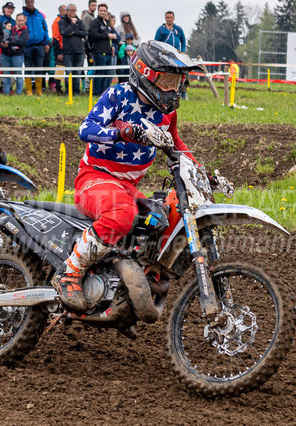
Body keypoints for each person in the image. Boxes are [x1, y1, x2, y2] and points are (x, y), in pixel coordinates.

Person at [51, 40, 203, 311]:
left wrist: (200, 173)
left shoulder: (167, 113)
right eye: (168, 81)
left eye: (178, 82)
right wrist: (122, 132)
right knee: (122, 213)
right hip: (94, 178)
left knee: (169, 214)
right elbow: (86, 129)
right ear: (146, 74)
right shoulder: (118, 95)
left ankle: (143, 277)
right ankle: (69, 273)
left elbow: (176, 145)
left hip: (127, 186)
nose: (173, 90)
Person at [89, 3, 116, 96]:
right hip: (99, 52)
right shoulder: (95, 22)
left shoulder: (107, 23)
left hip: (108, 52)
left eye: (104, 11)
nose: (102, 12)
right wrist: (107, 36)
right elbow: (93, 34)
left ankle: (105, 93)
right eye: (101, 10)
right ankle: (97, 93)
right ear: (98, 11)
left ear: (107, 12)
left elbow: (111, 37)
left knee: (108, 74)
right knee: (99, 74)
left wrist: (112, 46)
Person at [22, 0, 48, 96]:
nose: (30, 4)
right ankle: (29, 90)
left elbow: (45, 30)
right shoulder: (23, 16)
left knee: (39, 68)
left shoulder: (40, 15)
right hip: (27, 46)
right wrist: (23, 23)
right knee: (28, 68)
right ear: (25, 3)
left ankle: (38, 90)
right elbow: (18, 29)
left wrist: (46, 43)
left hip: (39, 45)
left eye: (31, 2)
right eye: (28, 2)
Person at [58, 3, 84, 95]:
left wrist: (73, 32)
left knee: (77, 73)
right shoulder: (62, 21)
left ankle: (76, 92)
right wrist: (72, 24)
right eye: (72, 11)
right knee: (69, 72)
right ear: (67, 11)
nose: (74, 12)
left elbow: (84, 33)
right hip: (68, 52)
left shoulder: (79, 21)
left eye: (75, 11)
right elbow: (64, 32)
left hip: (79, 51)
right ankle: (68, 92)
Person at [0, 12, 27, 95]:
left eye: (22, 20)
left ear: (24, 21)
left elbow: (21, 42)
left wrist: (9, 43)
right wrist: (2, 43)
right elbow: (3, 38)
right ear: (16, 21)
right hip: (5, 55)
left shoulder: (25, 31)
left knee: (18, 74)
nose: (20, 22)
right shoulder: (11, 29)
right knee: (6, 75)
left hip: (17, 55)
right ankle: (6, 93)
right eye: (19, 20)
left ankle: (19, 93)